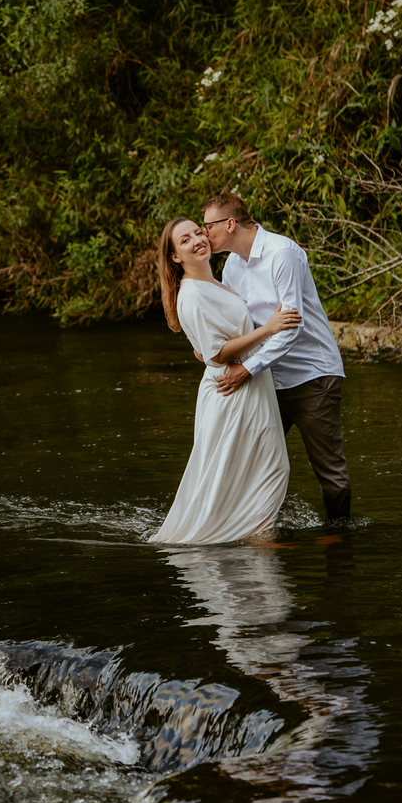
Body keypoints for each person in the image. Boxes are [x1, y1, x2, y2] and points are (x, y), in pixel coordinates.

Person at [200, 193, 352, 521]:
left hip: (312, 377)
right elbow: (234, 323)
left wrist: (246, 369)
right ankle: (257, 533)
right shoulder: (232, 266)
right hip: (267, 380)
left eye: (208, 226)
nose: (204, 234)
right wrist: (206, 343)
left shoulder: (282, 254)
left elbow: (290, 329)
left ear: (230, 224)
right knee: (253, 465)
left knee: (329, 471)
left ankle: (338, 537)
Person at [149, 218, 300, 546]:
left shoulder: (212, 283)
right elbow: (217, 355)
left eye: (198, 232)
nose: (197, 240)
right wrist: (269, 328)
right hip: (232, 388)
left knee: (257, 472)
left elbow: (207, 347)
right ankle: (256, 545)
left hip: (247, 385)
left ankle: (257, 542)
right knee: (264, 470)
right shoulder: (192, 293)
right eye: (185, 240)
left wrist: (206, 348)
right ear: (175, 256)